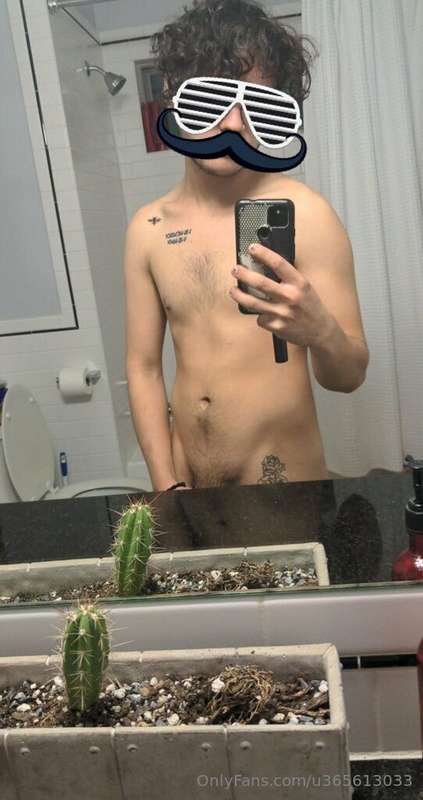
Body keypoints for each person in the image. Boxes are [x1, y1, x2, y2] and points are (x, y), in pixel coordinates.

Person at [124, 0, 369, 491]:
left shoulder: (308, 214)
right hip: (190, 487)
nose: (235, 124)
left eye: (257, 105)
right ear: (173, 92)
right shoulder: (147, 228)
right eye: (214, 97)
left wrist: (320, 330)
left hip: (284, 485)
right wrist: (166, 486)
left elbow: (347, 377)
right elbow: (143, 367)